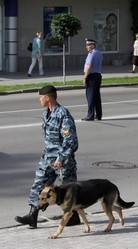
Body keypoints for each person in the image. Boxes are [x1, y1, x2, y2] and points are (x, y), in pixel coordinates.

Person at [15, 85, 80, 228]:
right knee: (38, 185)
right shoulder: (46, 114)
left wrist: (61, 158)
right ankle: (32, 216)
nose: (39, 99)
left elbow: (71, 141)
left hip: (63, 161)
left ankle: (73, 217)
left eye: (41, 97)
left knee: (67, 190)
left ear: (48, 98)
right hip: (48, 159)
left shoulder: (63, 114)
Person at [83, 38, 103, 121]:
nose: (86, 46)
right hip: (98, 75)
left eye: (88, 45)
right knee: (96, 96)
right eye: (86, 45)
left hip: (91, 76)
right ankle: (98, 115)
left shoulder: (91, 54)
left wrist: (85, 77)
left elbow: (89, 66)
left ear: (93, 45)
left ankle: (90, 115)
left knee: (90, 96)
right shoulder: (99, 53)